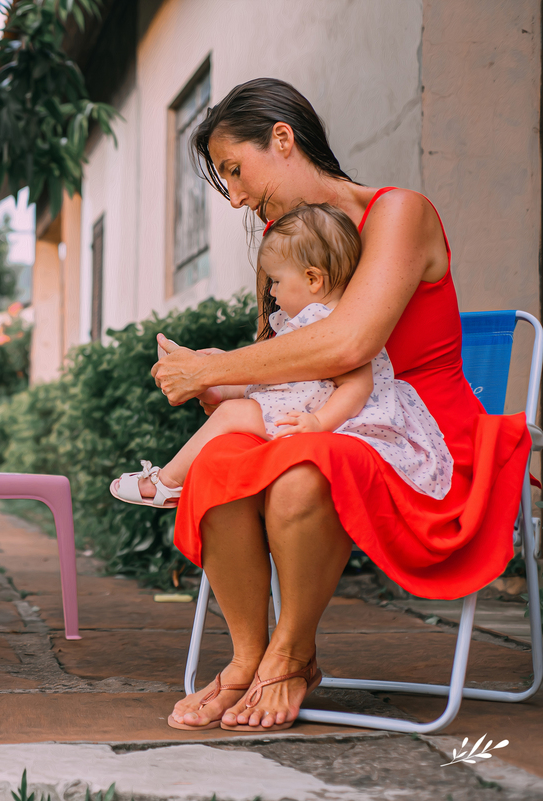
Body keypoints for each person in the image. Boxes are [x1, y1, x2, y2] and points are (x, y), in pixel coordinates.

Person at [151, 78, 530, 733]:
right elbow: (287, 368)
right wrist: (222, 380)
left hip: (418, 440)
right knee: (220, 462)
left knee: (301, 467)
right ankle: (247, 656)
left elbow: (349, 341)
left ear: (283, 137)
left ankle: (292, 652)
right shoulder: (291, 245)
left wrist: (215, 367)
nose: (236, 196)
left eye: (236, 171)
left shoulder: (398, 212)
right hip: (323, 424)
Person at [111, 204, 453, 515]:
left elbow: (358, 384)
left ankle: (167, 482)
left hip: (339, 423)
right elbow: (276, 379)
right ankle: (206, 417)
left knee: (233, 415)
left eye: (276, 281)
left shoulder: (336, 323)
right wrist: (217, 378)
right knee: (231, 407)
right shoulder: (302, 323)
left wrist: (320, 422)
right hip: (301, 412)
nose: (271, 292)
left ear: (313, 279)